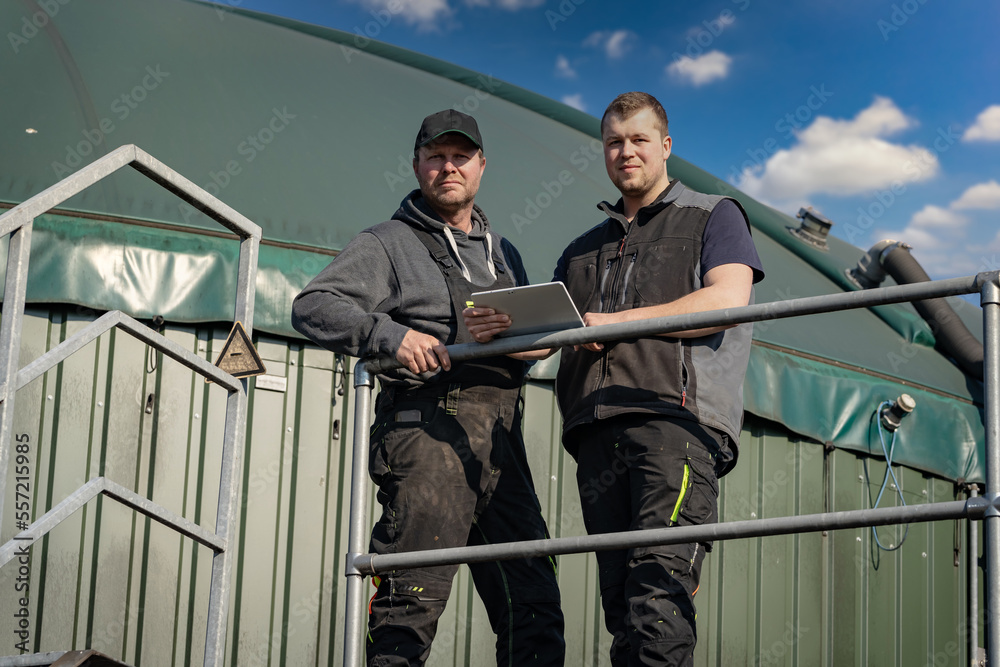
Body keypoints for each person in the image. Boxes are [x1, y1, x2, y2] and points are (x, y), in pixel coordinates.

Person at [465, 92, 764, 666]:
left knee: (659, 591)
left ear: (666, 146)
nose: (626, 152)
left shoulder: (713, 215)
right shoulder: (583, 251)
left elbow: (729, 299)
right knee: (623, 607)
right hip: (596, 433)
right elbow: (548, 337)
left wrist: (618, 325)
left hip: (675, 421)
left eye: (639, 140)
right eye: (614, 142)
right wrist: (501, 329)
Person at [291, 109, 565, 667]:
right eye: (436, 157)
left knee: (534, 607)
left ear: (481, 166)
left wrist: (537, 344)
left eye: (460, 157)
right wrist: (388, 335)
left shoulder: (504, 254)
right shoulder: (387, 242)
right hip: (426, 434)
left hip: (500, 443)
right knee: (408, 608)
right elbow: (312, 306)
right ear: (417, 165)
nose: (448, 167)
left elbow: (524, 340)